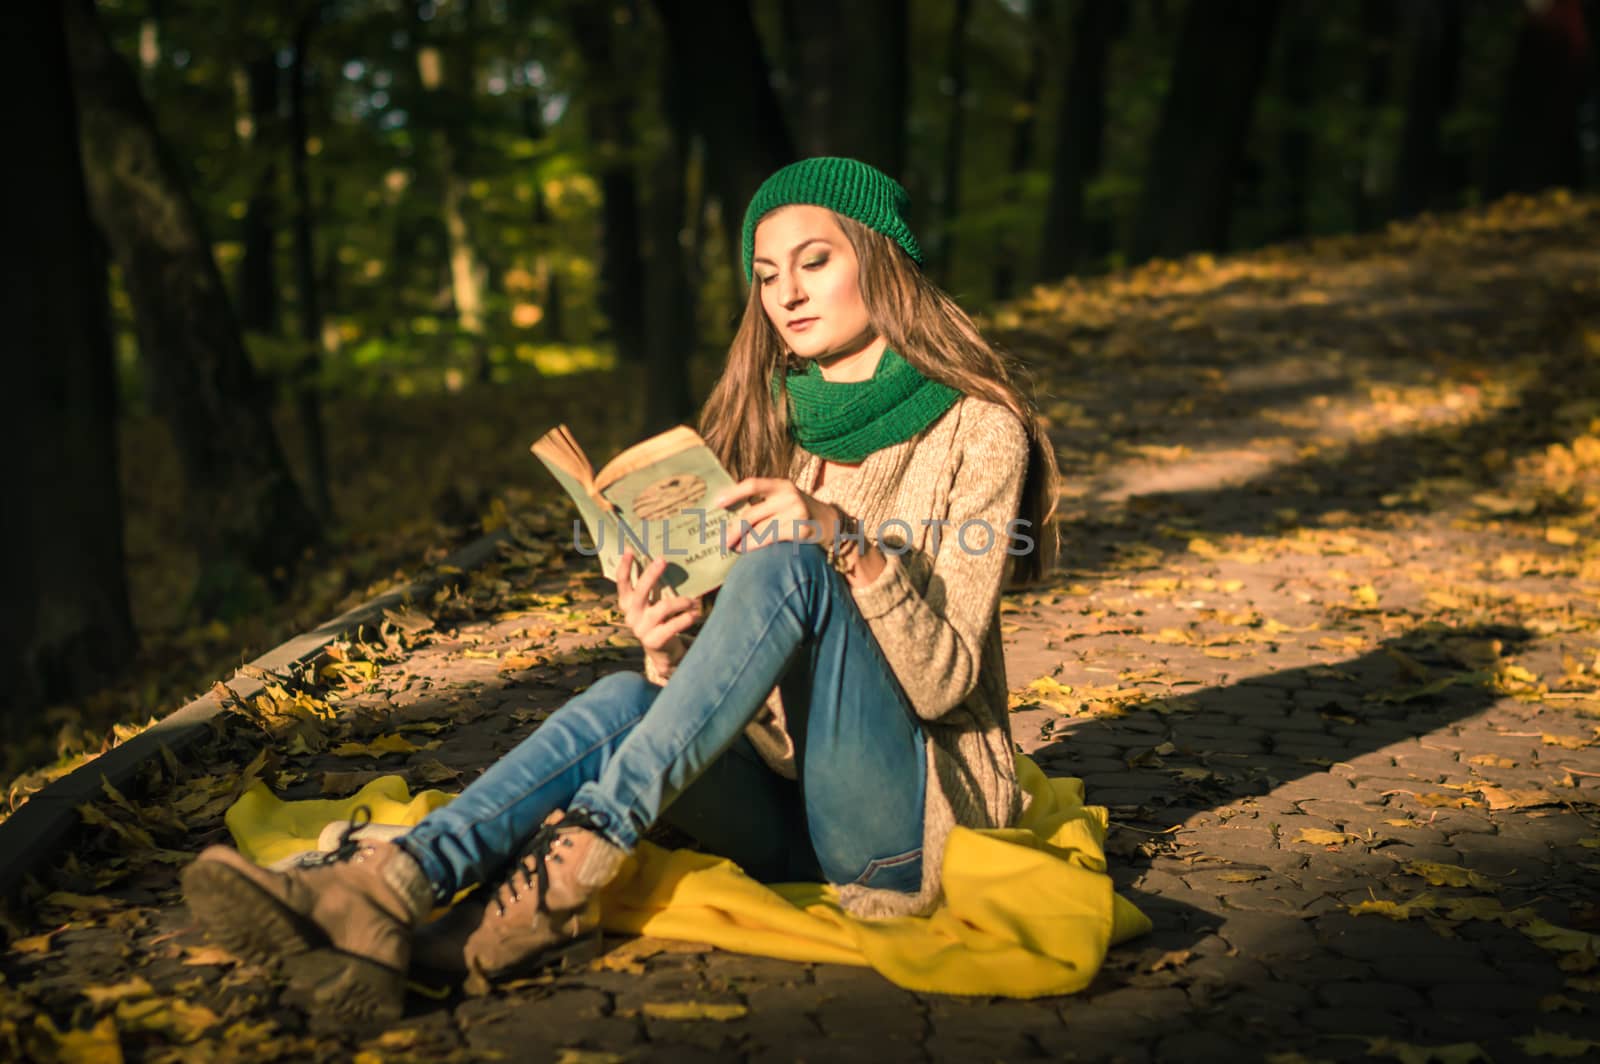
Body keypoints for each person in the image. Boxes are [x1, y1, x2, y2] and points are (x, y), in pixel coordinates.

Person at [181, 156, 1060, 1021]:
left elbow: (945, 683)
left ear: (880, 258)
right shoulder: (779, 433)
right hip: (787, 825)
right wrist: (666, 646)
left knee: (790, 561)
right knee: (620, 697)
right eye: (765, 275)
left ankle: (577, 858)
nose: (786, 293)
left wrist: (840, 541)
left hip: (905, 832)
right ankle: (397, 891)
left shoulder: (979, 432)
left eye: (814, 261)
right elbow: (743, 707)